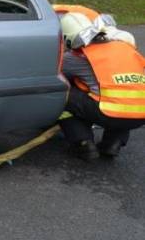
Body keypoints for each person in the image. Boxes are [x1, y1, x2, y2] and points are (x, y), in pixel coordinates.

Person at [58, 10, 145, 161]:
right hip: (140, 114)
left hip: (109, 112)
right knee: (122, 102)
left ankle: (83, 143)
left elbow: (56, 73)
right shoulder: (124, 47)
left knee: (60, 96)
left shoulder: (78, 56)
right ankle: (113, 143)